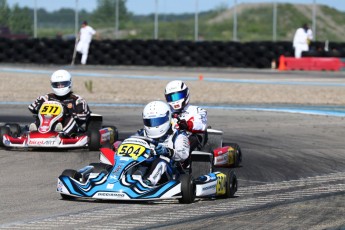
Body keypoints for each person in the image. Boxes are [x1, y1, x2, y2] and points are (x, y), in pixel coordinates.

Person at [135, 101, 190, 186]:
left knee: (161, 162)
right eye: (150, 122)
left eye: (157, 121)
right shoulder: (141, 133)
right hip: (145, 164)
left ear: (167, 118)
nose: (153, 125)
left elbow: (184, 154)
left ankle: (147, 183)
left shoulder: (178, 135)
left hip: (170, 172)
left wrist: (168, 151)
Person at [28, 69, 91, 136]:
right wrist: (38, 108)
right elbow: (32, 107)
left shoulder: (77, 100)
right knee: (42, 117)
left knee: (70, 119)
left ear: (69, 83)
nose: (60, 87)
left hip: (69, 125)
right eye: (57, 84)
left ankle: (62, 133)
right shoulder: (46, 98)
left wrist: (69, 113)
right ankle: (35, 129)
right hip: (49, 122)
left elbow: (84, 116)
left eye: (63, 84)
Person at [164, 80, 207, 151]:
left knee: (195, 138)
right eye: (171, 98)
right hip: (167, 141)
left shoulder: (197, 110)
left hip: (186, 143)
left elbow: (202, 125)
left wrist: (187, 125)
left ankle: (181, 159)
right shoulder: (166, 111)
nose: (175, 100)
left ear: (186, 94)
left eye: (178, 96)